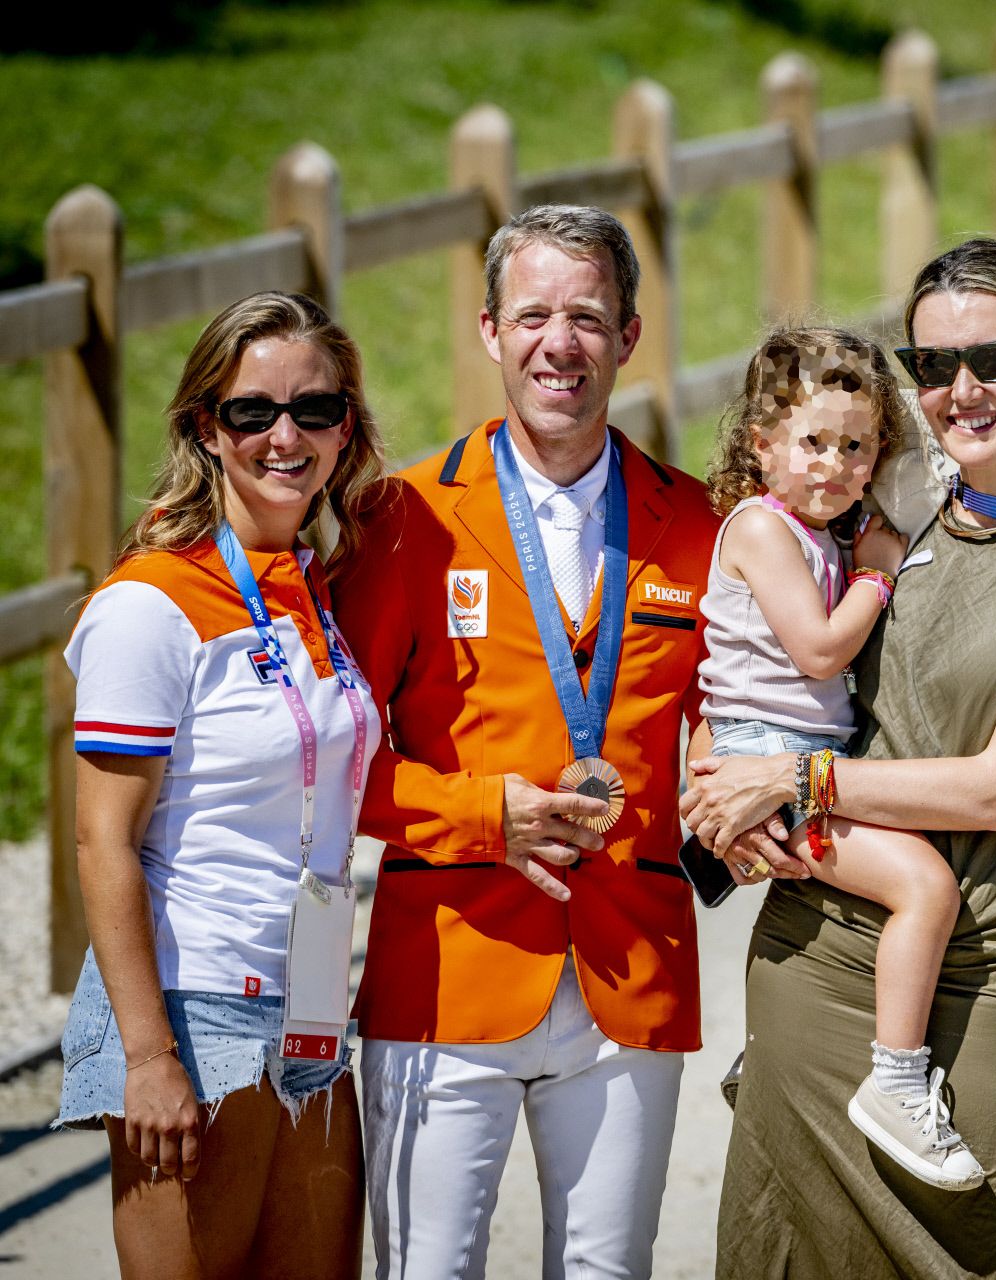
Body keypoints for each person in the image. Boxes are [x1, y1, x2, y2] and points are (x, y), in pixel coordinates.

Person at [681, 237, 996, 1279]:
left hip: (985, 964)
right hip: (814, 941)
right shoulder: (875, 513)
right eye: (933, 365)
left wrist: (796, 781)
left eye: (994, 358)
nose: (962, 389)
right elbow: (757, 658)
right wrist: (715, 766)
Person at [332, 204, 722, 1278]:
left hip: (630, 974)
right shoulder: (401, 518)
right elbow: (326, 763)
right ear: (490, 330)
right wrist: (482, 813)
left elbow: (741, 724)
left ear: (631, 337)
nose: (563, 342)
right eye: (536, 314)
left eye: (590, 316)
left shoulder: (698, 520)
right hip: (448, 971)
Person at [57, 291, 384, 1278]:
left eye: (315, 410)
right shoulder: (150, 603)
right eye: (253, 412)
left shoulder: (314, 585)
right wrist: (151, 1058)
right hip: (195, 1009)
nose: (285, 436)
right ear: (207, 427)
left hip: (314, 1001)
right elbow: (100, 842)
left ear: (346, 428)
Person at [697, 325, 985, 1189]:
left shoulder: (813, 530)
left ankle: (782, 1058)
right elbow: (820, 651)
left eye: (856, 446)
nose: (833, 464)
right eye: (812, 442)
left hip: (797, 754)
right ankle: (895, 1083)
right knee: (925, 886)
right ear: (761, 444)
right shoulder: (760, 529)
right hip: (767, 762)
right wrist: (880, 575)